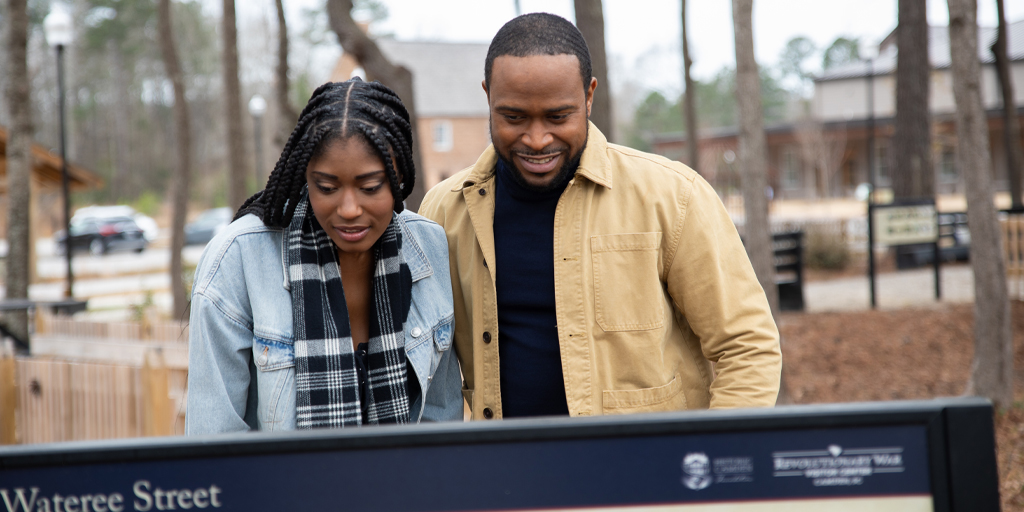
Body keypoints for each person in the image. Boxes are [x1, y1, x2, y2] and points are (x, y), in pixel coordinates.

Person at [418, 13, 781, 420]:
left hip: (646, 473)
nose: (537, 140)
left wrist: (718, 458)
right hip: (502, 474)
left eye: (558, 117)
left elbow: (746, 345)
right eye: (514, 117)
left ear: (589, 96)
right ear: (488, 97)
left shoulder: (672, 197)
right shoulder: (443, 212)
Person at [187, 78, 462, 433]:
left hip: (405, 486)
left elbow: (441, 422)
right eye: (327, 187)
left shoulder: (429, 245)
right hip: (284, 488)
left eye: (370, 187)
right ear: (304, 175)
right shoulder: (238, 258)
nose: (349, 209)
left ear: (399, 177)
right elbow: (215, 441)